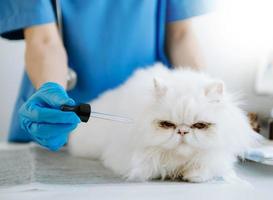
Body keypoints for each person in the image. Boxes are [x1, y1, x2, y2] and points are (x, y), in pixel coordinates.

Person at [0, 0, 210, 151]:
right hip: (66, 121)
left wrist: (203, 101)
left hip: (149, 119)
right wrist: (51, 92)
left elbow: (180, 35)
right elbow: (43, 40)